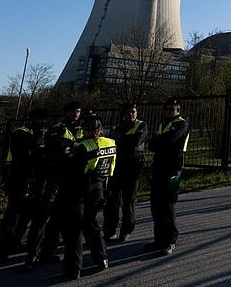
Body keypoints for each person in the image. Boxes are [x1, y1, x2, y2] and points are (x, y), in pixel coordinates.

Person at [25, 101, 82, 269]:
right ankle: (32, 254)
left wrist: (72, 149)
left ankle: (47, 252)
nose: (76, 114)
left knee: (58, 218)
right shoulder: (58, 129)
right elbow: (60, 152)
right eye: (72, 111)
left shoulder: (80, 128)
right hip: (54, 178)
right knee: (43, 216)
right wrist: (73, 149)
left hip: (70, 179)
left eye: (78, 111)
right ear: (66, 113)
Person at [63, 114, 116, 279]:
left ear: (85, 129)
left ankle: (73, 269)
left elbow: (71, 169)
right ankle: (102, 259)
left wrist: (67, 152)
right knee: (91, 224)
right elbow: (111, 165)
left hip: (80, 188)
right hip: (99, 187)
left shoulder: (83, 147)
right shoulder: (111, 142)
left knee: (74, 229)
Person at [0, 107, 48, 262]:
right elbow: (28, 156)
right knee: (14, 215)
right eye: (41, 119)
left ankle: (11, 245)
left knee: (22, 215)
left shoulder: (37, 133)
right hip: (20, 178)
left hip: (30, 179)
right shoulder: (22, 133)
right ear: (34, 120)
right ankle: (5, 247)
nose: (43, 123)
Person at [144, 98, 189, 256]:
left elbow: (170, 141)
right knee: (156, 204)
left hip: (174, 170)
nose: (170, 111)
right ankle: (159, 239)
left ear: (178, 110)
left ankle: (170, 240)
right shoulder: (163, 124)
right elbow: (153, 144)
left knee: (169, 203)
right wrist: (159, 142)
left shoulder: (181, 124)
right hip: (159, 167)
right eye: (168, 109)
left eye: (174, 109)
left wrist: (158, 142)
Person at [103, 103, 148, 243]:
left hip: (132, 167)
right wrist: (123, 141)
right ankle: (110, 230)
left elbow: (135, 142)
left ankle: (126, 230)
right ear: (122, 114)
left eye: (134, 111)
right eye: (128, 112)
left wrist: (121, 141)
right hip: (118, 167)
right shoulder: (117, 128)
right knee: (113, 200)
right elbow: (112, 142)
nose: (132, 114)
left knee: (129, 201)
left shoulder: (141, 125)